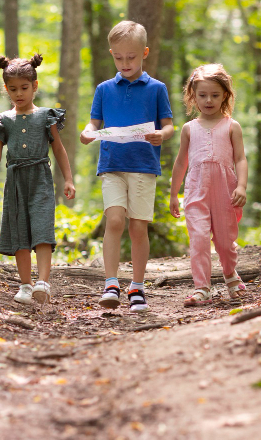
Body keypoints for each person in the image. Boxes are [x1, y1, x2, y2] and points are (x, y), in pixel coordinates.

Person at [80, 21, 174, 313]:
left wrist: (162, 135)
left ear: (144, 53)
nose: (125, 63)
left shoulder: (157, 89)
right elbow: (94, 121)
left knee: (137, 226)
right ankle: (110, 282)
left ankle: (137, 286)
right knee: (115, 220)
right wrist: (87, 131)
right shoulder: (104, 89)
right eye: (118, 58)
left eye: (131, 57)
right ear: (112, 54)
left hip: (144, 165)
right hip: (112, 163)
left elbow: (169, 125)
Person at [0, 54, 76, 305]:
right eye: (13, 89)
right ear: (6, 89)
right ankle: (25, 285)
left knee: (42, 228)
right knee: (20, 232)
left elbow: (58, 149)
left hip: (41, 179)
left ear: (35, 86)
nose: (19, 93)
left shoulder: (47, 116)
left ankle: (43, 283)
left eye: (24, 88)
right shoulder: (3, 120)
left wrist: (68, 179)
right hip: (14, 181)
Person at [169, 64, 249, 306]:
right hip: (196, 191)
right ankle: (201, 287)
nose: (208, 100)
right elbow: (181, 162)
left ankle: (230, 274)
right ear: (193, 96)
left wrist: (242, 186)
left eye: (215, 95)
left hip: (226, 192)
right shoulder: (188, 129)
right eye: (202, 95)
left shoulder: (231, 126)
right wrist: (174, 194)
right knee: (199, 239)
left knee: (225, 242)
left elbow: (240, 159)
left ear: (225, 95)